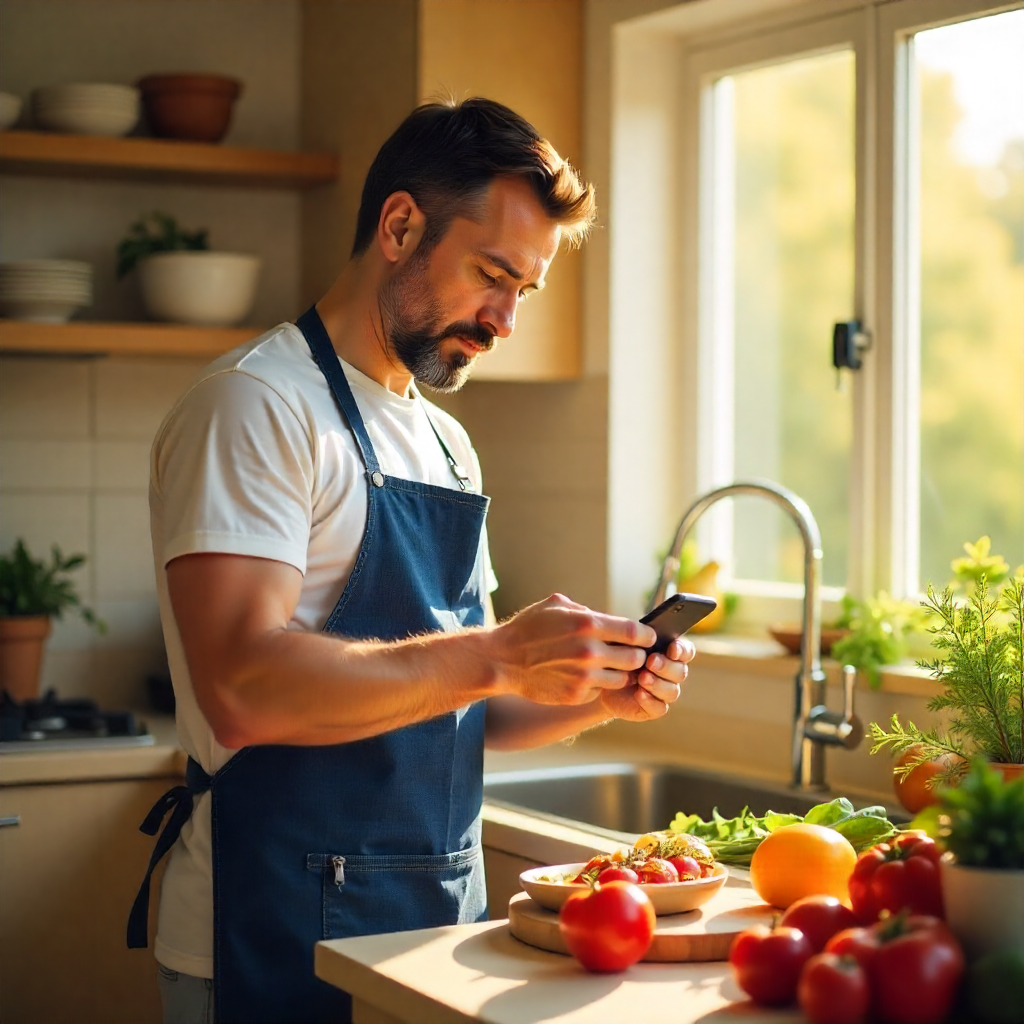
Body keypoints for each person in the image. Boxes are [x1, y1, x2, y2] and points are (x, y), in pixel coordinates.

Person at [128, 97, 694, 1024]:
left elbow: (464, 705)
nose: (507, 318)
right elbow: (240, 685)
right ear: (400, 227)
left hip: (434, 934)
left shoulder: (447, 443)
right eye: (493, 275)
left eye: (528, 290)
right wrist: (500, 652)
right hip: (267, 931)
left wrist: (596, 691)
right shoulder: (256, 407)